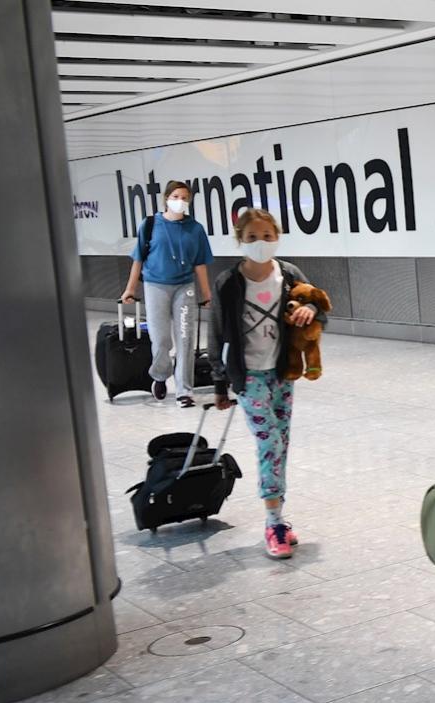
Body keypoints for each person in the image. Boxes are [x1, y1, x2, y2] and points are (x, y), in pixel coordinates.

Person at [209, 209, 325, 559]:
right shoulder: (228, 282)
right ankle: (273, 522)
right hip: (248, 377)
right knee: (269, 442)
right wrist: (219, 383)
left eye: (268, 236)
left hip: (282, 371)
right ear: (240, 240)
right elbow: (216, 331)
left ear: (278, 236)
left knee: (281, 443)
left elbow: (318, 307)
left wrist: (312, 313)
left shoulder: (289, 275)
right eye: (252, 237)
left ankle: (278, 516)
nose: (261, 243)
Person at [120, 180, 214, 408]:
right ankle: (160, 375)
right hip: (156, 286)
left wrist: (206, 294)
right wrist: (130, 289)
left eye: (184, 198)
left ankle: (184, 391)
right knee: (161, 339)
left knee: (185, 338)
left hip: (185, 287)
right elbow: (138, 259)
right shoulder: (151, 224)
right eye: (176, 197)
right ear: (166, 198)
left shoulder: (196, 229)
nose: (180, 201)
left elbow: (200, 264)